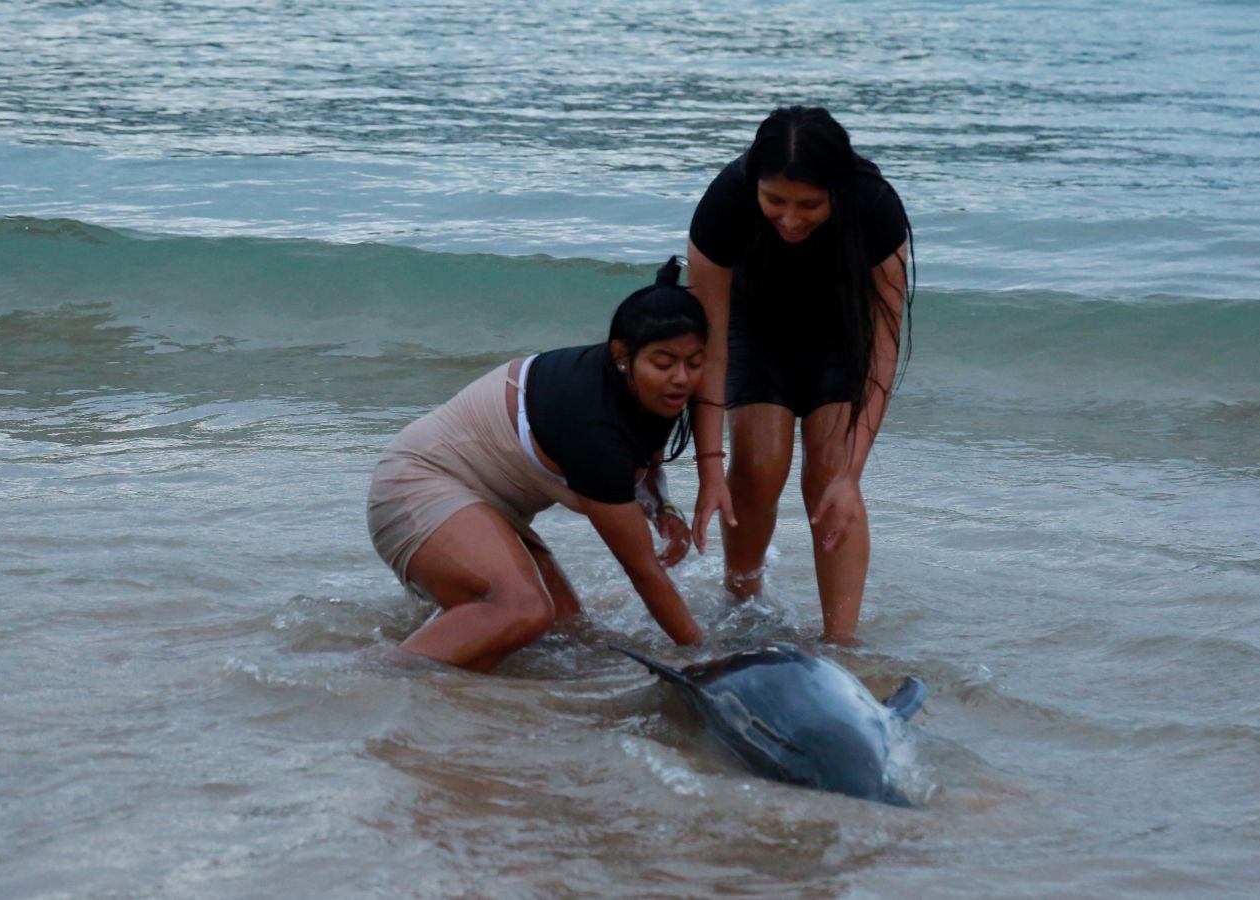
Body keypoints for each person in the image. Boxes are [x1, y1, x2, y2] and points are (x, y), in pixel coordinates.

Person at [367, 258, 706, 672]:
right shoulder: (594, 428)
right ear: (621, 355)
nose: (682, 378)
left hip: (487, 508)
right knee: (523, 611)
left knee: (569, 635)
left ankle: (449, 686)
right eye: (664, 363)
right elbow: (643, 571)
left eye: (695, 362)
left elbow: (645, 459)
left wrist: (663, 508)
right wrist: (705, 658)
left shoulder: (644, 390)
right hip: (414, 486)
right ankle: (372, 675)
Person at [685, 106, 913, 643]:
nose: (790, 219)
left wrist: (851, 475)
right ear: (755, 186)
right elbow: (708, 352)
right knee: (757, 468)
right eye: (776, 201)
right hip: (753, 323)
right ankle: (742, 606)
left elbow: (884, 352)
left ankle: (842, 642)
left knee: (830, 474)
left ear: (838, 189)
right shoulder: (724, 203)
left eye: (809, 204)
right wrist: (709, 468)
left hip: (840, 326)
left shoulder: (875, 205)